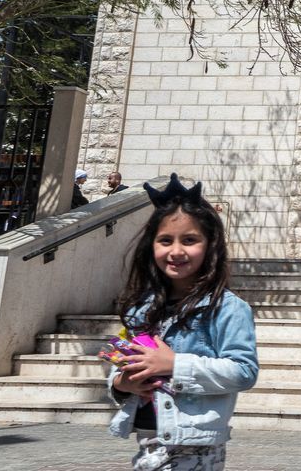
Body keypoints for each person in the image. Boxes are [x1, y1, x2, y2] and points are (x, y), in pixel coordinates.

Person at [108, 173, 259, 470]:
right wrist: (121, 383)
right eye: (165, 240)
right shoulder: (143, 307)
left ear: (210, 245)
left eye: (189, 240)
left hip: (196, 448)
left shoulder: (228, 309)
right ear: (151, 246)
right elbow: (122, 362)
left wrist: (174, 365)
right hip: (148, 442)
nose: (176, 251)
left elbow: (244, 371)